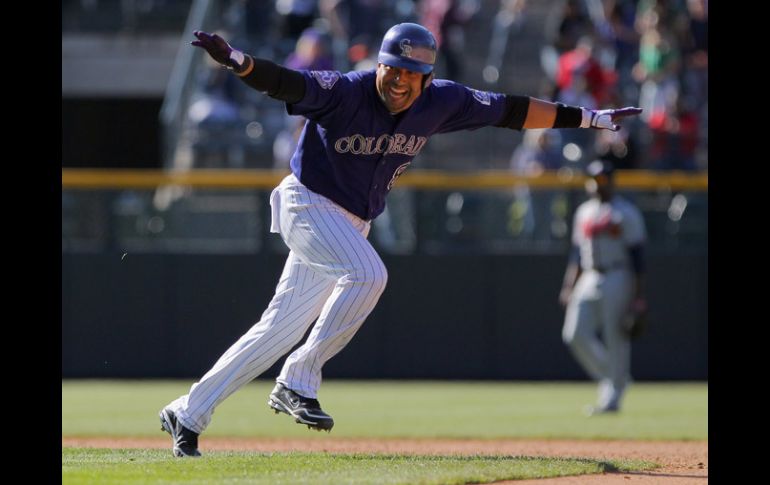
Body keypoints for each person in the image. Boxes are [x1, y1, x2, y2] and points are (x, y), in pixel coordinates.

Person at [159, 23, 642, 457]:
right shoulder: (347, 91)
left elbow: (510, 111)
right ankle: (297, 380)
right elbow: (289, 82)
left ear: (427, 78)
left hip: (350, 222)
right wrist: (239, 62)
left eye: (411, 73)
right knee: (368, 274)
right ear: (380, 66)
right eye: (392, 69)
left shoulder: (442, 101)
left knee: (277, 329)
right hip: (307, 203)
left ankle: (188, 412)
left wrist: (591, 119)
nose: (399, 80)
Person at [558, 159, 647, 416]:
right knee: (574, 334)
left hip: (618, 273)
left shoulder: (626, 212)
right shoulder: (583, 211)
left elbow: (638, 256)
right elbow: (576, 253)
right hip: (589, 275)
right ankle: (615, 377)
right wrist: (568, 285)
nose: (598, 185)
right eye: (594, 180)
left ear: (611, 182)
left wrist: (639, 297)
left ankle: (613, 396)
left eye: (603, 180)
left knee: (615, 337)